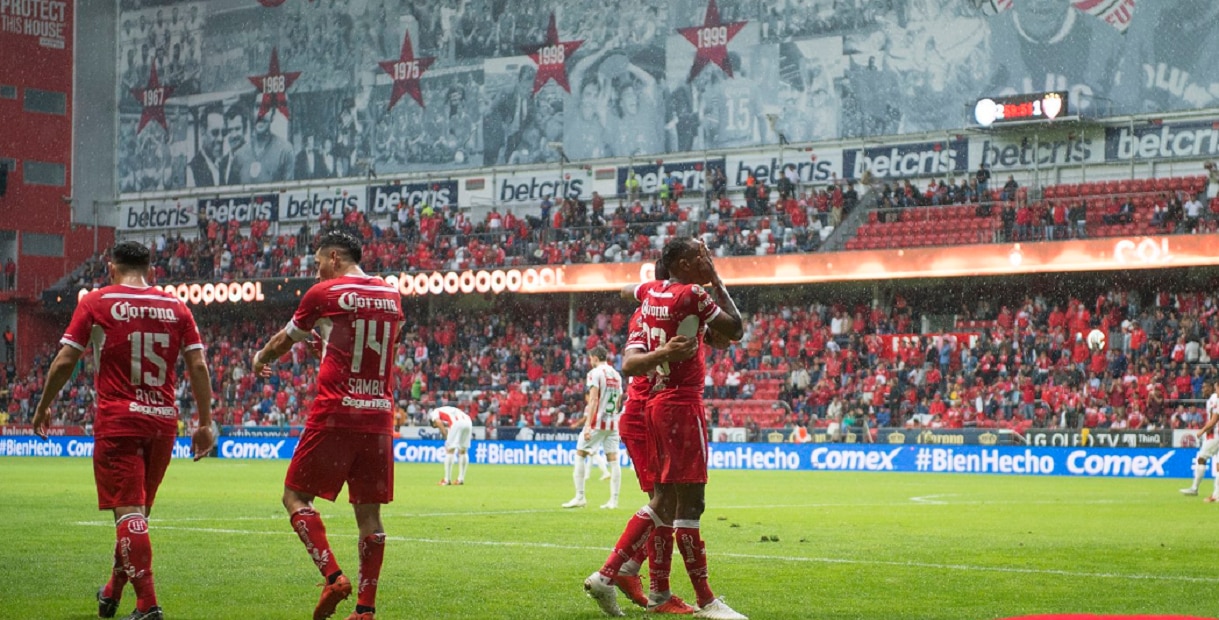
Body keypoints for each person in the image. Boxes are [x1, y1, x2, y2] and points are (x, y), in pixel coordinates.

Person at [31, 240, 215, 620]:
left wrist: (44, 403)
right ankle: (112, 591)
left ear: (111, 268)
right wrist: (206, 422)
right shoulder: (176, 307)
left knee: (128, 514)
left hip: (119, 421)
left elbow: (67, 358)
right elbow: (198, 367)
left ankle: (148, 605)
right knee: (137, 518)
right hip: (163, 423)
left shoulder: (97, 302)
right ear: (149, 269)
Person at [584, 237, 747, 620]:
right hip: (649, 411)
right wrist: (673, 350)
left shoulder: (652, 301)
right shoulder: (666, 306)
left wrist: (637, 290)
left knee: (668, 503)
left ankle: (645, 584)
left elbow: (632, 290)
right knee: (669, 503)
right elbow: (732, 329)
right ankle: (639, 581)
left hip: (651, 408)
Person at [252, 230, 404, 620]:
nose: (317, 271)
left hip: (336, 411)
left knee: (295, 496)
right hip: (378, 415)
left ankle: (333, 575)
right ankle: (365, 610)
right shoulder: (390, 295)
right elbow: (381, 344)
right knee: (369, 515)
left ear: (334, 258)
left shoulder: (324, 294)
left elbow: (284, 341)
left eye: (319, 262)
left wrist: (260, 357)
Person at [563, 346, 625, 510]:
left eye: (591, 359)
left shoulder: (595, 373)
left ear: (595, 358)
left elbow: (593, 400)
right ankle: (614, 501)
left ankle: (580, 496)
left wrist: (588, 425)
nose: (590, 361)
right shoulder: (616, 375)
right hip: (612, 423)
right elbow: (619, 400)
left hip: (597, 422)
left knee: (580, 453)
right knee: (613, 460)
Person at [1180, 382, 1219, 500]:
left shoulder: (1215, 399)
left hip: (1216, 435)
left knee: (1201, 458)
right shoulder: (1212, 399)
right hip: (1214, 434)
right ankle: (1216, 495)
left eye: (1205, 386)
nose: (1203, 389)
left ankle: (1195, 488)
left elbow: (1214, 420)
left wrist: (1202, 431)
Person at [429, 405, 472, 485]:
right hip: (468, 421)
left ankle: (447, 479)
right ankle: (460, 479)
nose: (438, 427)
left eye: (436, 427)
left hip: (457, 423)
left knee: (450, 450)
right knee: (463, 451)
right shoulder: (448, 410)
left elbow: (438, 422)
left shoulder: (435, 412)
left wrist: (444, 434)